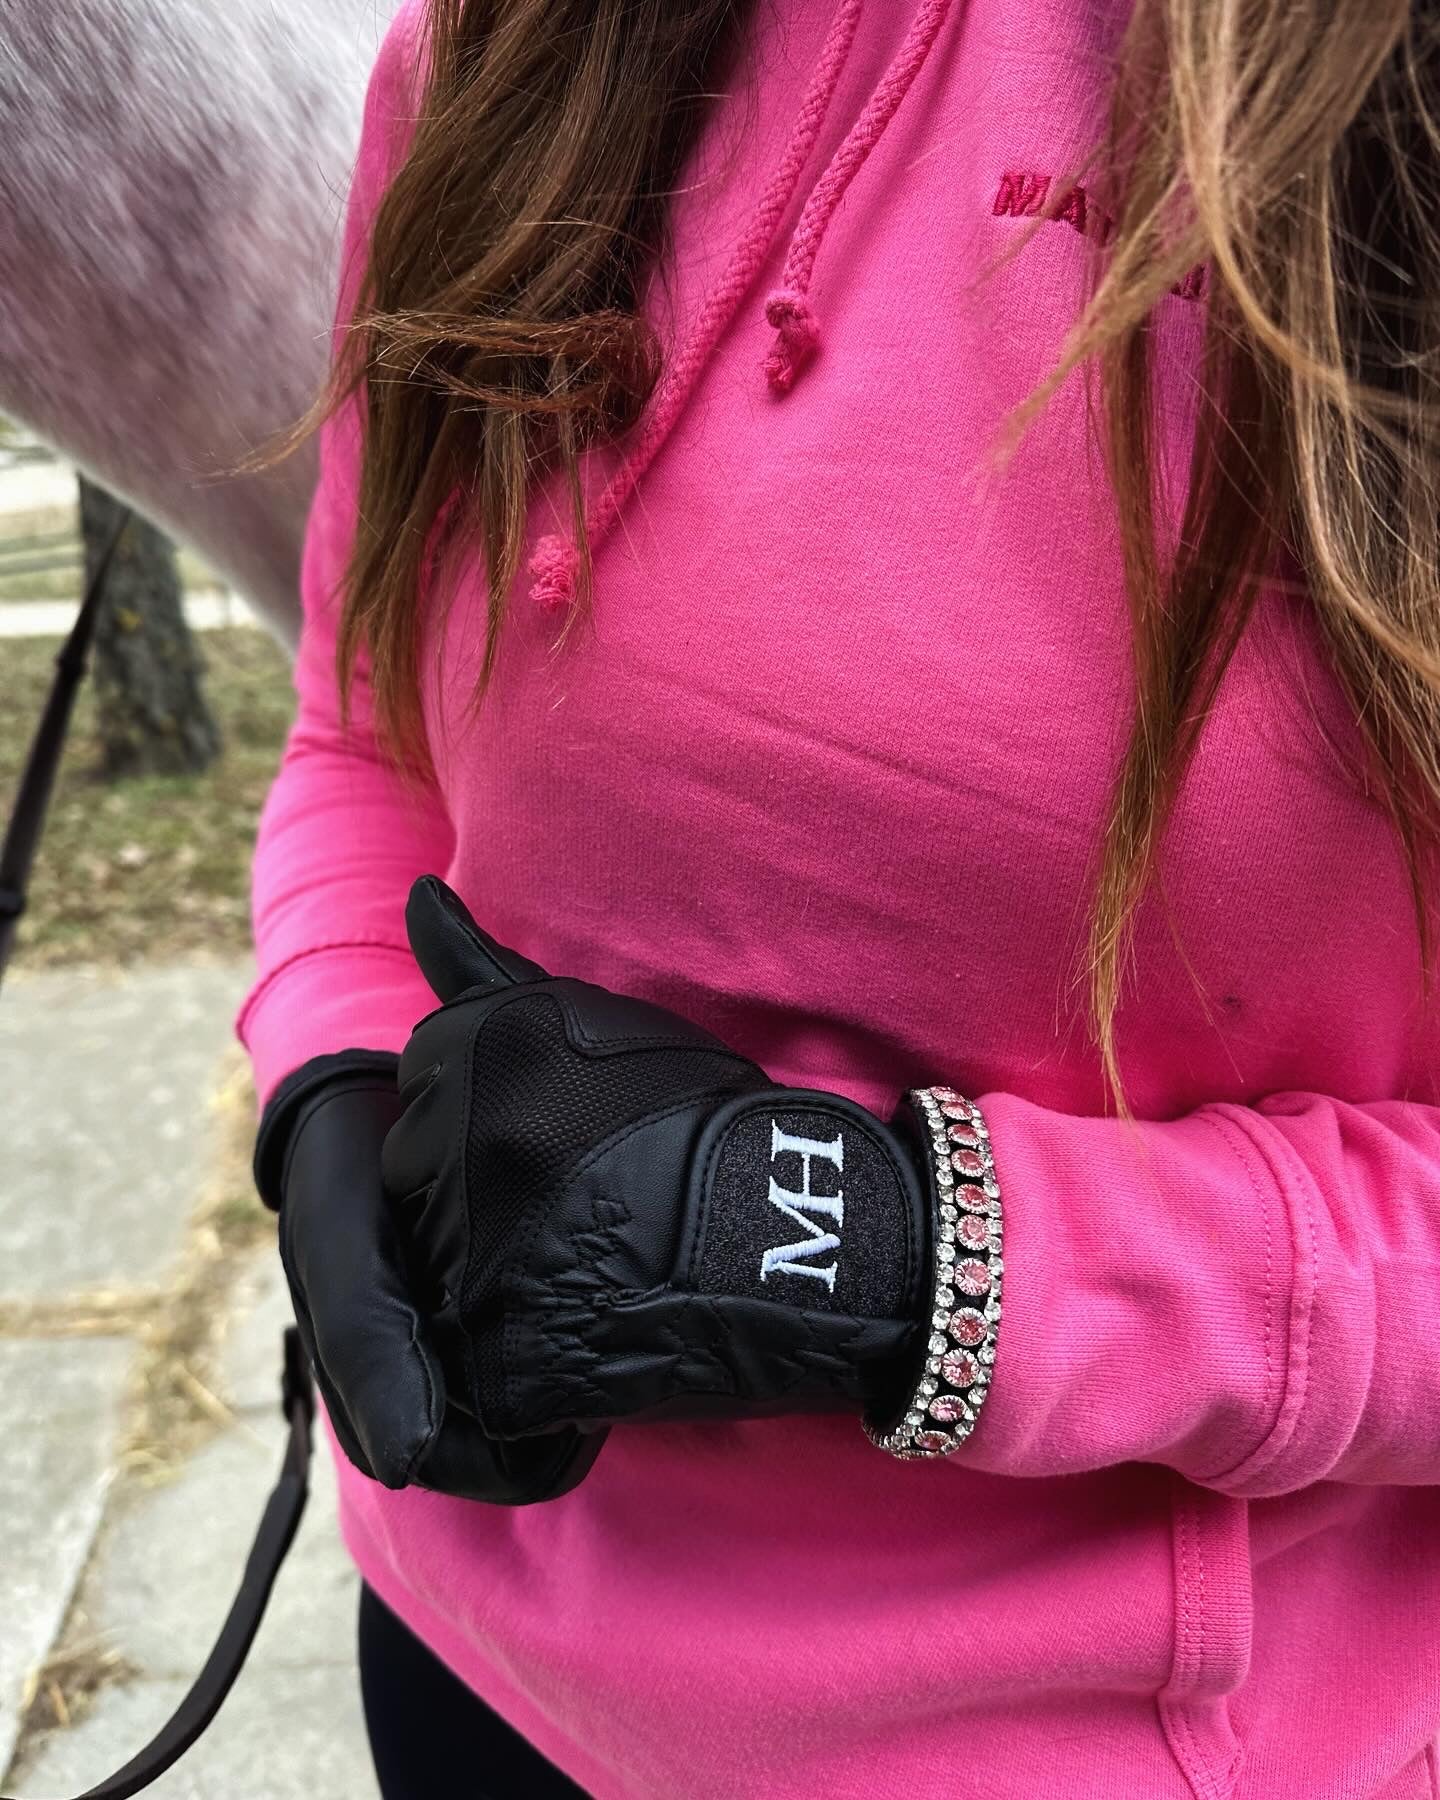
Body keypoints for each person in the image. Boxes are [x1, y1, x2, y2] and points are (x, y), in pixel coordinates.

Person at [241, 1, 1440, 1795]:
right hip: (472, 1662)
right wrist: (336, 1072)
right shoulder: (506, 42)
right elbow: (365, 721)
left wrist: (915, 1259)